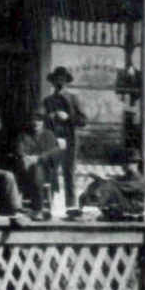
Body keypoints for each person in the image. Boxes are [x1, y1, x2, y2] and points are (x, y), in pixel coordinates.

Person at [41, 66, 87, 209]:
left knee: (69, 175)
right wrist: (49, 117)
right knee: (50, 174)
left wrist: (69, 117)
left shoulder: (74, 99)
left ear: (66, 81)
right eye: (57, 80)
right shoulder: (48, 101)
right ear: (53, 82)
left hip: (69, 142)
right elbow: (40, 120)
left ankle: (71, 208)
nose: (59, 83)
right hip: (52, 141)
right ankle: (48, 208)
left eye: (62, 80)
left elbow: (83, 120)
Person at [15, 108, 61, 218]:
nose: (36, 123)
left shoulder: (48, 135)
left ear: (43, 123)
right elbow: (19, 149)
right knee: (28, 169)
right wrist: (25, 158)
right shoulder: (24, 135)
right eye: (34, 120)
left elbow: (54, 152)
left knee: (37, 168)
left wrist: (38, 158)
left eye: (39, 121)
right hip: (26, 170)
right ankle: (23, 208)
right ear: (30, 122)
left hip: (46, 172)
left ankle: (38, 209)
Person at [80, 148, 145, 220]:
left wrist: (104, 180)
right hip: (119, 207)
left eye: (125, 163)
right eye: (123, 163)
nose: (122, 166)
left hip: (132, 209)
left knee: (109, 185)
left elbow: (120, 185)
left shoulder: (141, 181)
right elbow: (116, 182)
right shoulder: (125, 178)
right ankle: (90, 206)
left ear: (135, 164)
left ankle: (93, 207)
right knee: (99, 184)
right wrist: (98, 179)